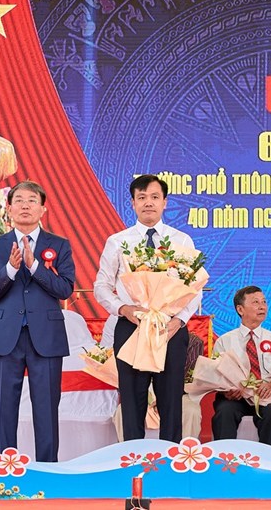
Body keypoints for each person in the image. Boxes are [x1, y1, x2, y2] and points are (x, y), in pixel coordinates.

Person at [94, 174, 201, 442]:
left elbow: (194, 287)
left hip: (170, 328)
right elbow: (101, 286)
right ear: (132, 203)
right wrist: (123, 309)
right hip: (132, 326)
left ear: (165, 202)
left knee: (171, 402)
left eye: (154, 197)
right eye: (141, 198)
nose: (148, 203)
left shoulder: (182, 240)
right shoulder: (118, 241)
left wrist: (180, 320)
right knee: (132, 403)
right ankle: (133, 461)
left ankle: (170, 460)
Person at [0, 180, 75, 462]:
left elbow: (65, 289)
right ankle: (5, 475)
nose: (25, 206)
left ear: (43, 209)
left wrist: (34, 266)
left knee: (46, 411)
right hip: (5, 338)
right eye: (19, 200)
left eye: (32, 200)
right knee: (4, 412)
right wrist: (10, 269)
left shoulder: (59, 245)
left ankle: (47, 474)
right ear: (9, 208)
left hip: (46, 338)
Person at [212, 286, 271, 447]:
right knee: (225, 412)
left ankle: (269, 459)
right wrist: (227, 390)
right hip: (235, 397)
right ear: (240, 309)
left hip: (266, 396)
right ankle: (224, 458)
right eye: (255, 302)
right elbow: (216, 375)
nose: (262, 307)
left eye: (264, 302)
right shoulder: (224, 341)